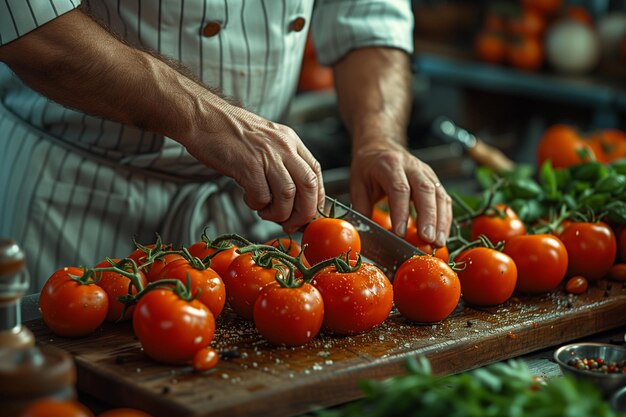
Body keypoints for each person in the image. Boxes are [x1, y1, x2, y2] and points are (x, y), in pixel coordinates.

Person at [0, 0, 452, 293]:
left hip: (245, 210)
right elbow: (31, 25)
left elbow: (367, 17)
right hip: (74, 196)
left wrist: (377, 137)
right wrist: (206, 119)